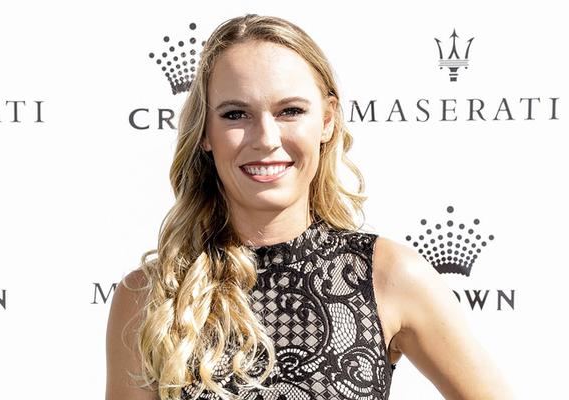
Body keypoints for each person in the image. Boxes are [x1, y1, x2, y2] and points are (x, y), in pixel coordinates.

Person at [106, 14, 515, 400]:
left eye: (290, 111)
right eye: (236, 114)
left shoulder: (388, 275)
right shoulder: (150, 297)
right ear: (206, 133)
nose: (266, 138)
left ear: (327, 120)